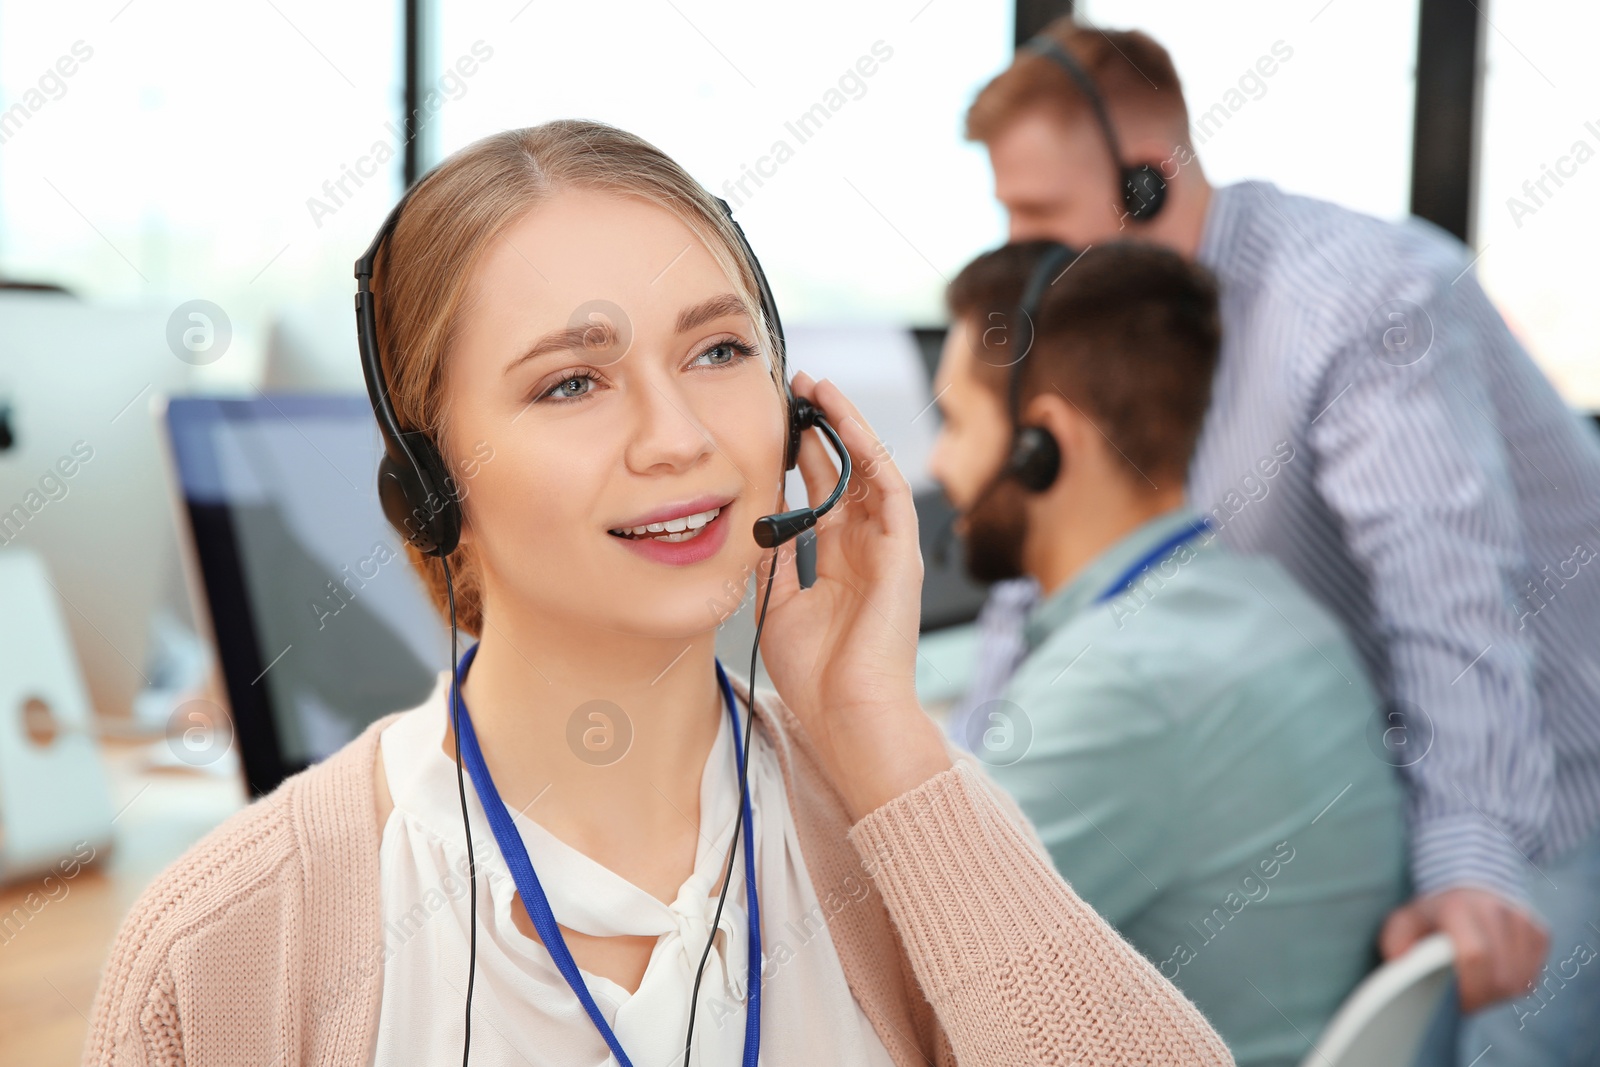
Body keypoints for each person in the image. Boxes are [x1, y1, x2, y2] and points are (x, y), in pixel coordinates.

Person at [82, 121, 1236, 1066]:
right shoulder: (227, 945)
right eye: (573, 380)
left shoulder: (907, 826)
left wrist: (876, 735)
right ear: (435, 484)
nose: (678, 437)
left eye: (718, 352)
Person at [956, 18, 1600, 1066]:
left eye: (1040, 216)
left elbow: (1447, 593)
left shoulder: (1352, 293)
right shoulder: (1122, 334)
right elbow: (1044, 564)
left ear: (1149, 186)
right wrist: (959, 781)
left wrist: (1472, 856)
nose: (1025, 260)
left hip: (1545, 763)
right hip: (1384, 755)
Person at [929, 238, 1407, 1067]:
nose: (936, 466)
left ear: (1041, 444)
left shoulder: (1121, 686)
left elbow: (907, 984)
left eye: (955, 422)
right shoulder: (1279, 609)